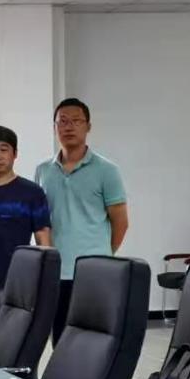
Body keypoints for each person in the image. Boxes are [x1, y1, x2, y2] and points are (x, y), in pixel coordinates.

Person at [34, 97, 129, 344]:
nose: (69, 127)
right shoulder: (43, 171)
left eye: (76, 121)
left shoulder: (107, 170)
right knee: (60, 339)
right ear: (55, 127)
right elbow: (41, 222)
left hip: (94, 271)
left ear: (88, 126)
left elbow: (120, 221)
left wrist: (103, 253)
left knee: (93, 340)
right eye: (63, 121)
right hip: (56, 270)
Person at [0, 125, 52, 348]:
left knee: (18, 348)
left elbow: (43, 236)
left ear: (15, 154)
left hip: (20, 283)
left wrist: (45, 281)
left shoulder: (31, 192)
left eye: (3, 149)